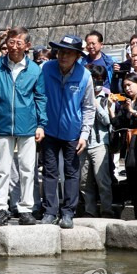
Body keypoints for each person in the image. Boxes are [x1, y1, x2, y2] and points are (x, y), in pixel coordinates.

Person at [0, 26, 47, 227]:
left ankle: (26, 209)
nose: (14, 46)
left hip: (28, 124)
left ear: (27, 46)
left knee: (28, 169)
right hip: (2, 123)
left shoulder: (35, 69)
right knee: (2, 168)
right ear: (6, 44)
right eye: (11, 42)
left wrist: (41, 124)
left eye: (19, 43)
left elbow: (40, 98)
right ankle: (0, 208)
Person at [41, 35, 95, 229]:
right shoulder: (46, 69)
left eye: (69, 53)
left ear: (77, 56)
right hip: (48, 130)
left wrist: (84, 134)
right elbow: (38, 96)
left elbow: (89, 107)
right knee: (49, 172)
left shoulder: (84, 76)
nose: (63, 56)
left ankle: (68, 213)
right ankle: (49, 212)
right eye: (61, 51)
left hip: (73, 133)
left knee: (72, 173)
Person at [110, 73, 137, 220]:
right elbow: (117, 123)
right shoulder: (125, 102)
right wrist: (110, 108)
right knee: (132, 176)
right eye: (124, 86)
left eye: (129, 85)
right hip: (129, 143)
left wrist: (133, 111)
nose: (127, 88)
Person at [80, 65, 114, 218]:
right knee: (84, 180)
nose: (97, 82)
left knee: (103, 180)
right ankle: (89, 210)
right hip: (83, 142)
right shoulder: (81, 95)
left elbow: (108, 121)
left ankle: (106, 209)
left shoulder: (107, 97)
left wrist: (95, 104)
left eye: (100, 79)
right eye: (94, 79)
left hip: (100, 143)